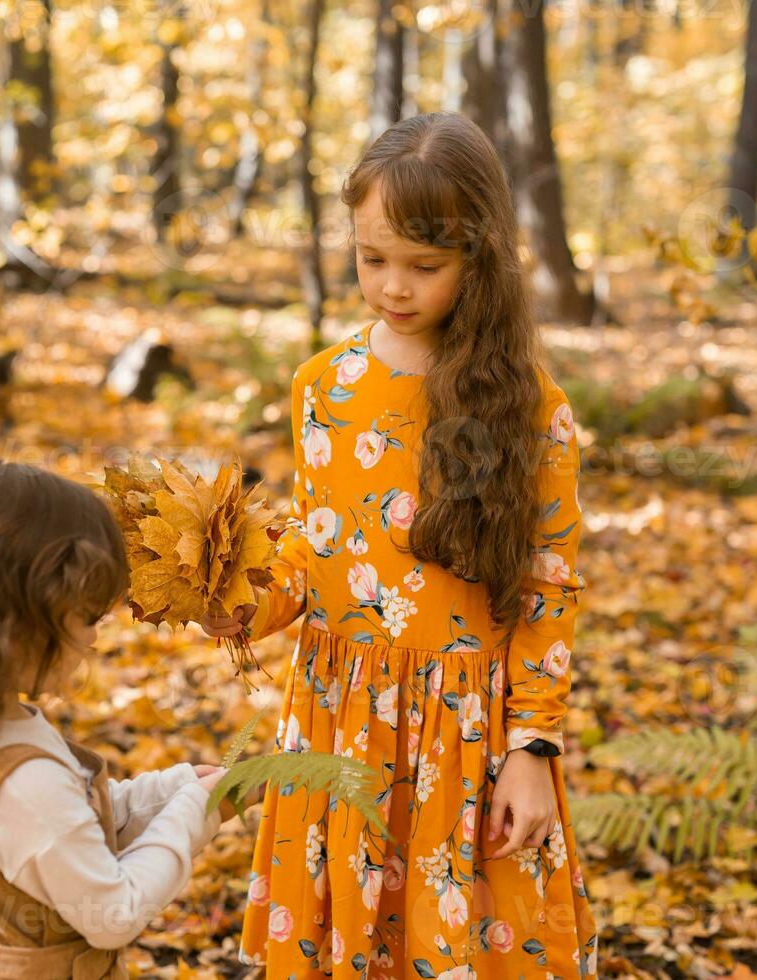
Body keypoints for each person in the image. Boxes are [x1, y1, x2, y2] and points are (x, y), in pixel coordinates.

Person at [201, 112, 600, 976]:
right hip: (340, 723)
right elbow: (315, 553)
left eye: (425, 266)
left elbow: (547, 589)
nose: (393, 286)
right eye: (370, 258)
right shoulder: (324, 386)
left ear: (479, 257)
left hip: (467, 737)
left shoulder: (531, 408)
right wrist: (236, 601)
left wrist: (532, 748)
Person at [0, 460, 254, 979]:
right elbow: (114, 911)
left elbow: (63, 835)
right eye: (86, 617)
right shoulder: (23, 780)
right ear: (17, 624)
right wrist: (192, 813)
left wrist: (174, 789)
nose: (94, 638)